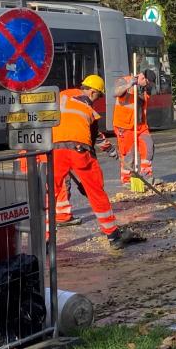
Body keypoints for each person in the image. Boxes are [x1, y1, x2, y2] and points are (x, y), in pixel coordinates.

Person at [52, 75, 134, 249]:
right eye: (98, 96)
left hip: (53, 149)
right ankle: (114, 236)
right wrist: (111, 151)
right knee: (97, 191)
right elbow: (96, 138)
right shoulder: (87, 106)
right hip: (79, 150)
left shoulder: (62, 95)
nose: (97, 100)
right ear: (92, 91)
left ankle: (44, 242)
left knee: (49, 193)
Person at [113, 69, 156, 185]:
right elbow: (116, 92)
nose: (148, 86)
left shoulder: (145, 88)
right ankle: (127, 179)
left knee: (148, 147)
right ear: (142, 77)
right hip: (125, 125)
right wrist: (130, 84)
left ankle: (146, 175)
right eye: (147, 82)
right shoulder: (125, 80)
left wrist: (145, 88)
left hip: (141, 125)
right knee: (128, 154)